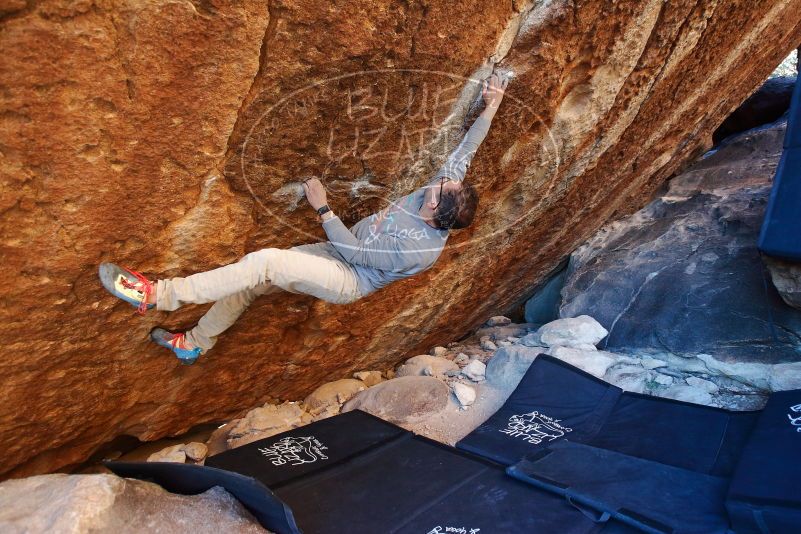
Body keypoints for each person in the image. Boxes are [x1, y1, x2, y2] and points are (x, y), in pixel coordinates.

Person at [98, 73, 508, 364]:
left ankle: (156, 295)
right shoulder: (441, 193)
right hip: (333, 251)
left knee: (266, 262)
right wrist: (492, 106)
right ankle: (193, 343)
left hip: (349, 276)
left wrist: (323, 206)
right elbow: (466, 151)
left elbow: (357, 252)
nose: (439, 182)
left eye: (440, 191)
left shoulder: (420, 250)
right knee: (250, 284)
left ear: (436, 212)